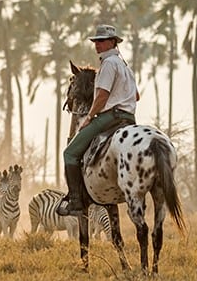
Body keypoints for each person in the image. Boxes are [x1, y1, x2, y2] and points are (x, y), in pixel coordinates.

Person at [56, 24, 139, 217]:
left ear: (113, 42)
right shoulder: (126, 67)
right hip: (129, 118)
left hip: (111, 117)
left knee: (69, 153)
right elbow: (136, 96)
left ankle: (75, 201)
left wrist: (90, 117)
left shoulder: (108, 64)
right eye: (96, 41)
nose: (97, 45)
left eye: (101, 41)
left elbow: (102, 96)